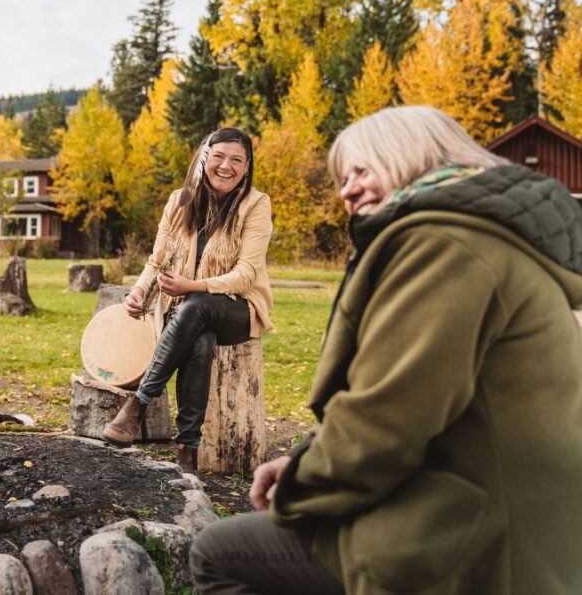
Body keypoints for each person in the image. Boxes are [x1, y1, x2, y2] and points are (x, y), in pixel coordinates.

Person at [189, 106, 582, 594]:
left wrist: (302, 481)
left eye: (362, 170)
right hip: (507, 512)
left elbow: (391, 414)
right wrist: (306, 458)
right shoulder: (479, 237)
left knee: (219, 554)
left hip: (477, 539)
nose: (346, 190)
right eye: (341, 178)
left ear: (413, 157)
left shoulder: (444, 246)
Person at [101, 127, 273, 473]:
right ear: (205, 158)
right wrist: (138, 292)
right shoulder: (179, 201)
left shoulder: (256, 204)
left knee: (199, 306)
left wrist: (192, 286)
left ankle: (138, 402)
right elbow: (156, 259)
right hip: (188, 313)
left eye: (237, 160)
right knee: (200, 337)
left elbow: (246, 274)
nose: (227, 166)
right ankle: (187, 448)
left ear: (247, 166)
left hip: (237, 309)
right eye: (220, 156)